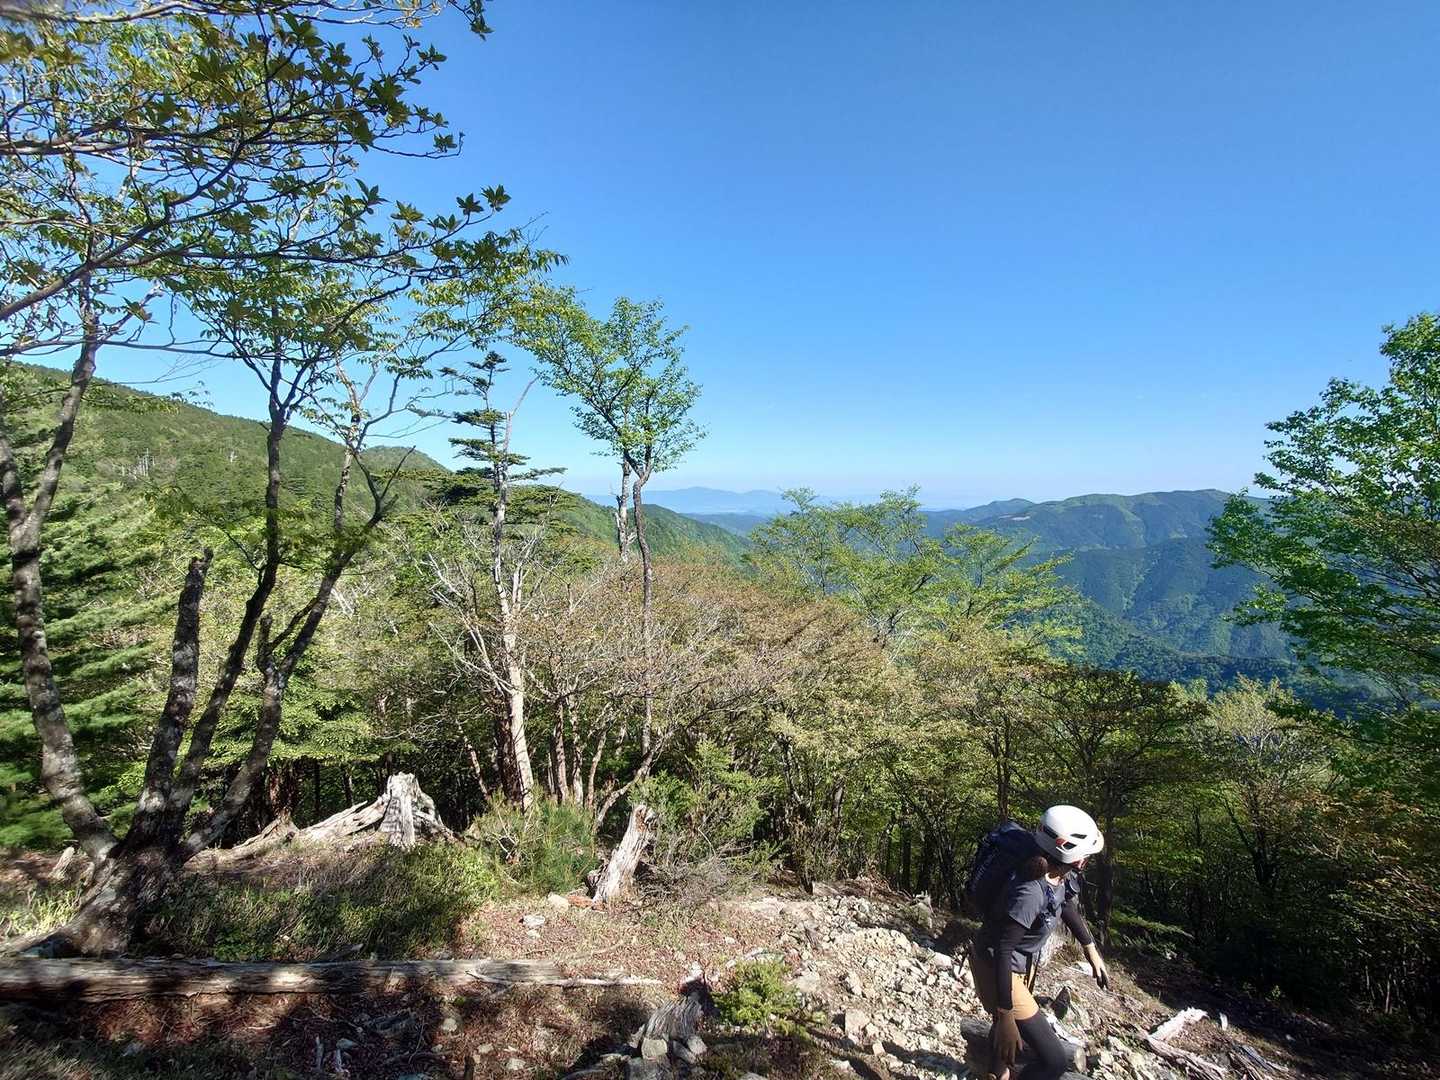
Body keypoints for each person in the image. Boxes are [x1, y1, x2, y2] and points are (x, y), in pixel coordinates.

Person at [969, 805, 1110, 1080]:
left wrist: (1090, 948)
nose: (1087, 859)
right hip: (999, 968)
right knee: (1053, 1061)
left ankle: (996, 1074)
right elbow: (1004, 949)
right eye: (1086, 854)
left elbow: (1063, 903)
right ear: (1072, 854)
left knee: (1005, 1052)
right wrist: (1006, 1014)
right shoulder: (1030, 892)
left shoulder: (1054, 875)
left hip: (1016, 967)